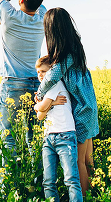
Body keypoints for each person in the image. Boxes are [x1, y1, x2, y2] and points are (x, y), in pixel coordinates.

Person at [0, 0, 62, 160]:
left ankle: (9, 187)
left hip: (12, 84)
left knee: (8, 138)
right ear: (38, 4)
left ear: (20, 0)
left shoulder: (9, 15)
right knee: (35, 137)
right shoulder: (42, 18)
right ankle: (36, 179)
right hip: (35, 84)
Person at [34, 7, 99, 194]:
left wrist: (39, 94)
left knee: (79, 162)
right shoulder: (76, 49)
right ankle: (97, 192)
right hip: (90, 107)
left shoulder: (64, 57)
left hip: (81, 111)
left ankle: (85, 196)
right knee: (88, 160)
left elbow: (52, 76)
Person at [34, 56, 83, 202]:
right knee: (48, 181)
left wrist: (38, 105)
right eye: (38, 72)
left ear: (52, 71)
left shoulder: (54, 84)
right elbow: (40, 117)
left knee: (71, 180)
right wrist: (53, 103)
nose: (40, 75)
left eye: (43, 71)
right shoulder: (45, 90)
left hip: (64, 135)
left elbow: (41, 109)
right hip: (49, 137)